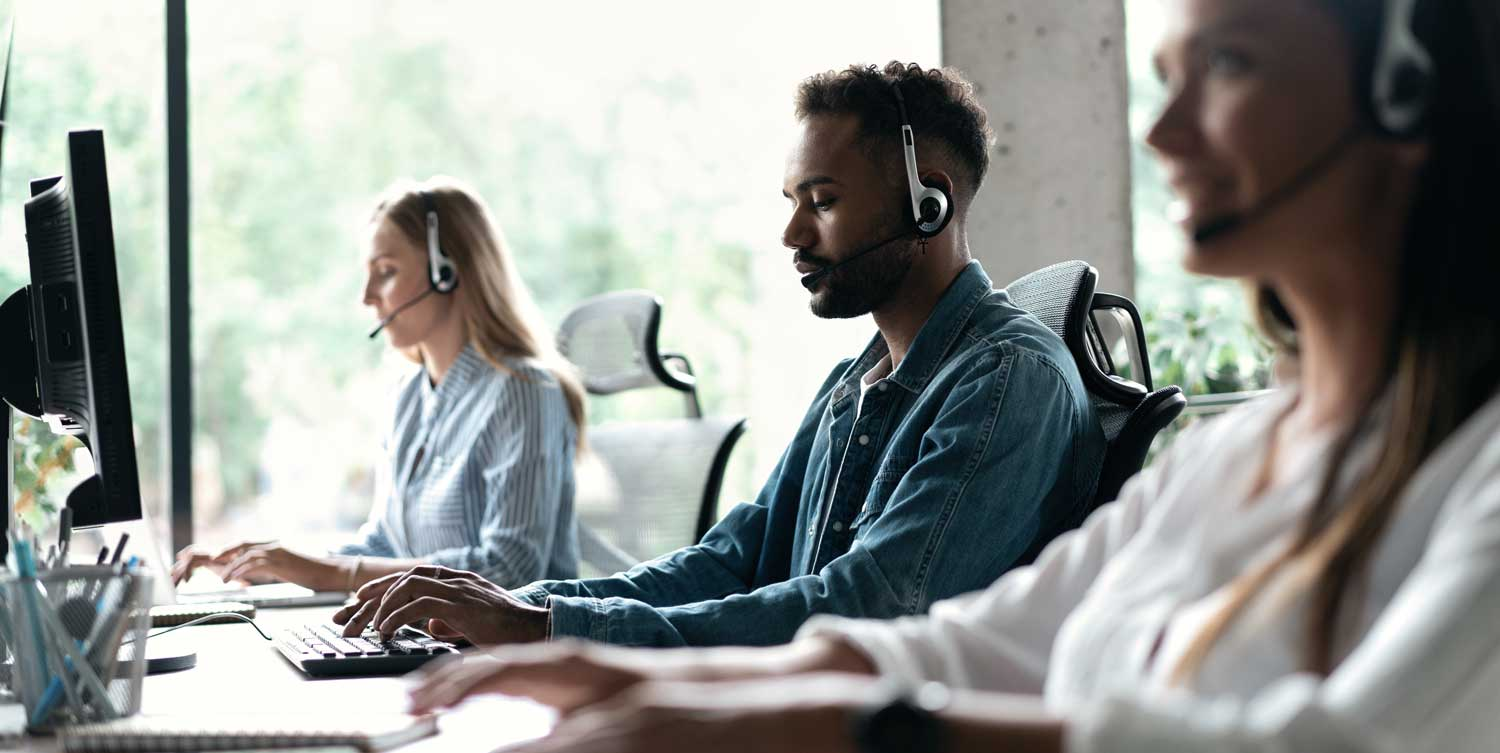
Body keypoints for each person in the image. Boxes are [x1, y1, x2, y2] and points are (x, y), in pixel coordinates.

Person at [400, 1, 1500, 752]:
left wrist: (831, 725)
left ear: (1407, 91)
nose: (1161, 131)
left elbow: (1336, 748)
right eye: (1162, 79)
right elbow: (977, 644)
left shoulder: (1477, 466)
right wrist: (608, 662)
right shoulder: (1235, 457)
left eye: (1230, 65)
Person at [333, 62, 1107, 648]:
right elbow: (731, 558)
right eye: (792, 202)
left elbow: (867, 608)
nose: (793, 235)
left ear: (928, 199)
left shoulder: (1007, 379)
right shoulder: (852, 386)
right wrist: (523, 606)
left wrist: (549, 627)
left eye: (824, 201)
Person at [172, 179, 584, 593]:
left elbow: (510, 571)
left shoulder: (524, 391)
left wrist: (330, 573)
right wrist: (275, 563)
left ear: (448, 272)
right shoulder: (407, 397)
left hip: (504, 655)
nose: (367, 296)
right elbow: (385, 544)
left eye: (386, 272)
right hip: (422, 643)